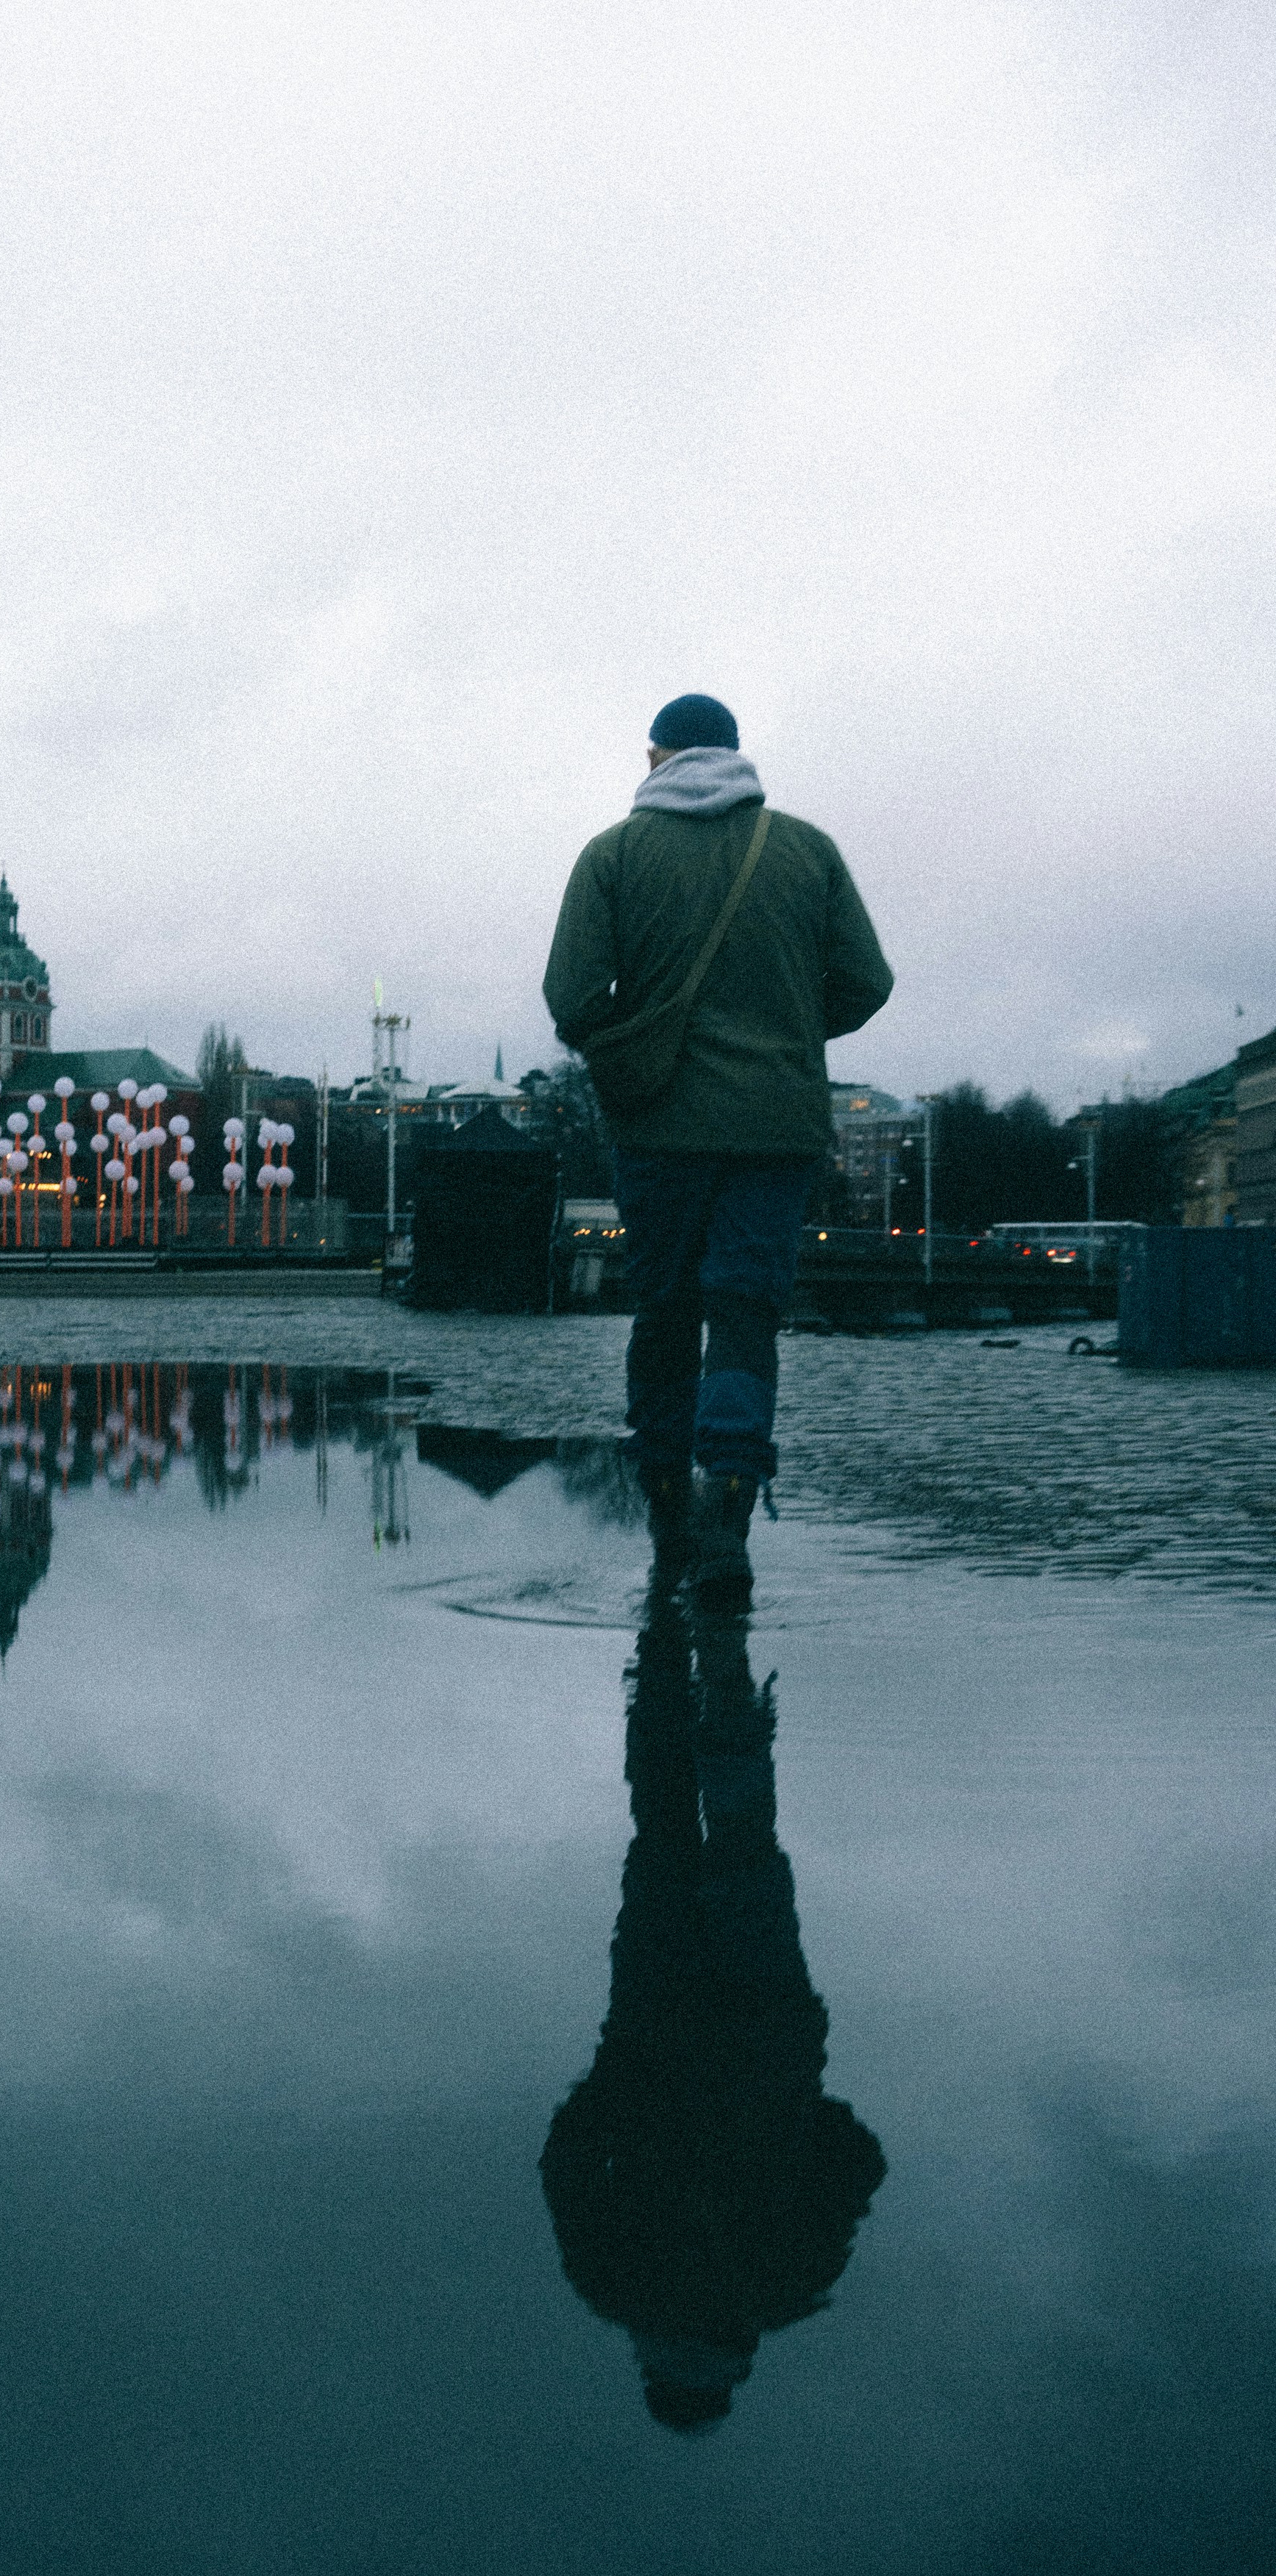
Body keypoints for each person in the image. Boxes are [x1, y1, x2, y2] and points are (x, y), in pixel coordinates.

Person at [543, 693, 893, 1595]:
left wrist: (634, 1043)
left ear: (655, 755)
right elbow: (866, 980)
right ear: (735, 756)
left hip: (657, 1129)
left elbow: (572, 996)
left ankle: (665, 1512)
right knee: (744, 1311)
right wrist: (788, 1031)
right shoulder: (804, 849)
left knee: (663, 1312)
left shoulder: (611, 856)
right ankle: (728, 1503)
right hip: (775, 1131)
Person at [539, 1586, 886, 2433]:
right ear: (651, 2367)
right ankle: (663, 1653)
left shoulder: (787, 2284)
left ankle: (724, 1681)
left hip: (768, 2029)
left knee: (742, 1842)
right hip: (651, 2024)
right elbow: (565, 2158)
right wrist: (616, 2080)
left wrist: (796, 2106)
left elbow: (859, 2159)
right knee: (660, 1831)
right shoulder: (613, 2285)